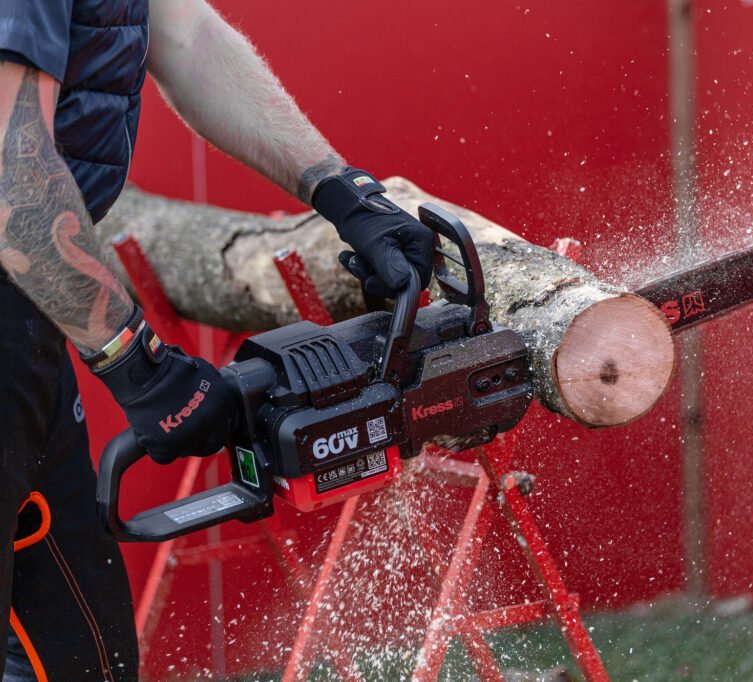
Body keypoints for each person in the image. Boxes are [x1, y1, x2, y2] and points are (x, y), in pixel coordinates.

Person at [0, 1, 434, 678]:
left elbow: (183, 33)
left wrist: (341, 190)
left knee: (80, 657)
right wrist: (136, 365)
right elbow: (9, 170)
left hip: (25, 319)